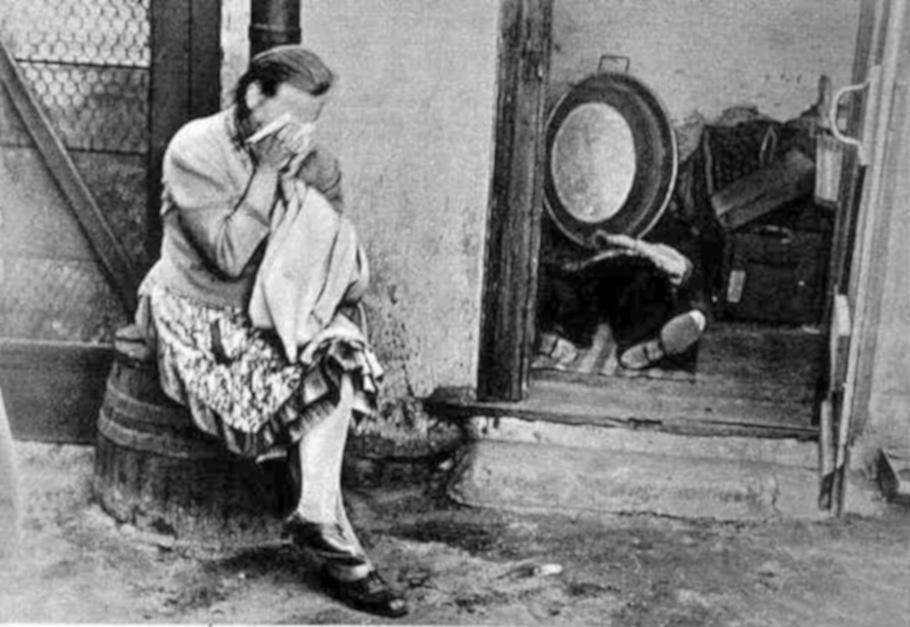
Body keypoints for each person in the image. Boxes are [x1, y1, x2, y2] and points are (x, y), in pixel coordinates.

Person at [133, 45, 408, 618]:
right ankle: (345, 557)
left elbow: (335, 266)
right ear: (254, 95)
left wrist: (312, 211)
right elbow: (229, 257)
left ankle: (316, 513)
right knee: (303, 376)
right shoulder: (196, 149)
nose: (300, 134)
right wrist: (265, 174)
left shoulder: (317, 164)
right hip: (200, 311)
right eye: (291, 117)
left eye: (313, 119)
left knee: (344, 352)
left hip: (280, 312)